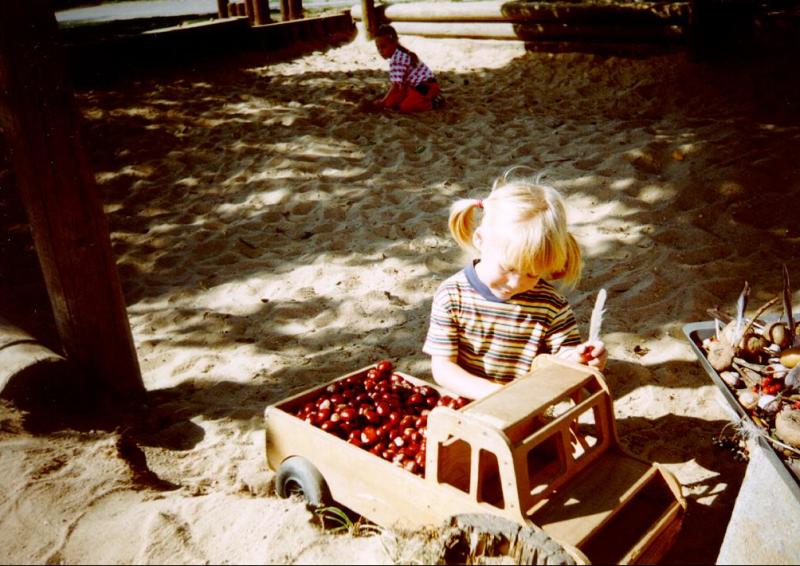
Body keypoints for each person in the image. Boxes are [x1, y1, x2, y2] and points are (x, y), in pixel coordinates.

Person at [423, 168, 607, 400]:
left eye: (531, 274)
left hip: (526, 404)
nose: (515, 283)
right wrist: (497, 395)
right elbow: (443, 369)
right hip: (467, 402)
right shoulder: (452, 296)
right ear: (480, 240)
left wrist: (583, 358)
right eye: (508, 268)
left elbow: (564, 361)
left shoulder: (551, 306)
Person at [373, 24, 444, 113]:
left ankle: (434, 102)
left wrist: (382, 102)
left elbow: (396, 87)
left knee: (406, 107)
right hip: (413, 87)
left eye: (383, 47)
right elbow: (400, 86)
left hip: (427, 87)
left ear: (394, 43)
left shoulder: (398, 59)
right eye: (378, 48)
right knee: (390, 103)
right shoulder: (397, 55)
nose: (380, 51)